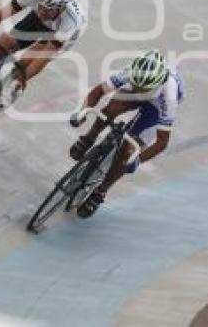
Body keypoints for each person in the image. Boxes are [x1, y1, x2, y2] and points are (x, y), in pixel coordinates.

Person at [69, 49, 184, 218]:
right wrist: (82, 113)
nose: (138, 88)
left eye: (141, 87)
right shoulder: (132, 72)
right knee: (112, 107)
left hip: (156, 108)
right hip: (138, 94)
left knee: (127, 151)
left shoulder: (170, 97)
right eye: (136, 84)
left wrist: (137, 160)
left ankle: (100, 192)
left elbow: (161, 142)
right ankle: (89, 138)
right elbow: (98, 92)